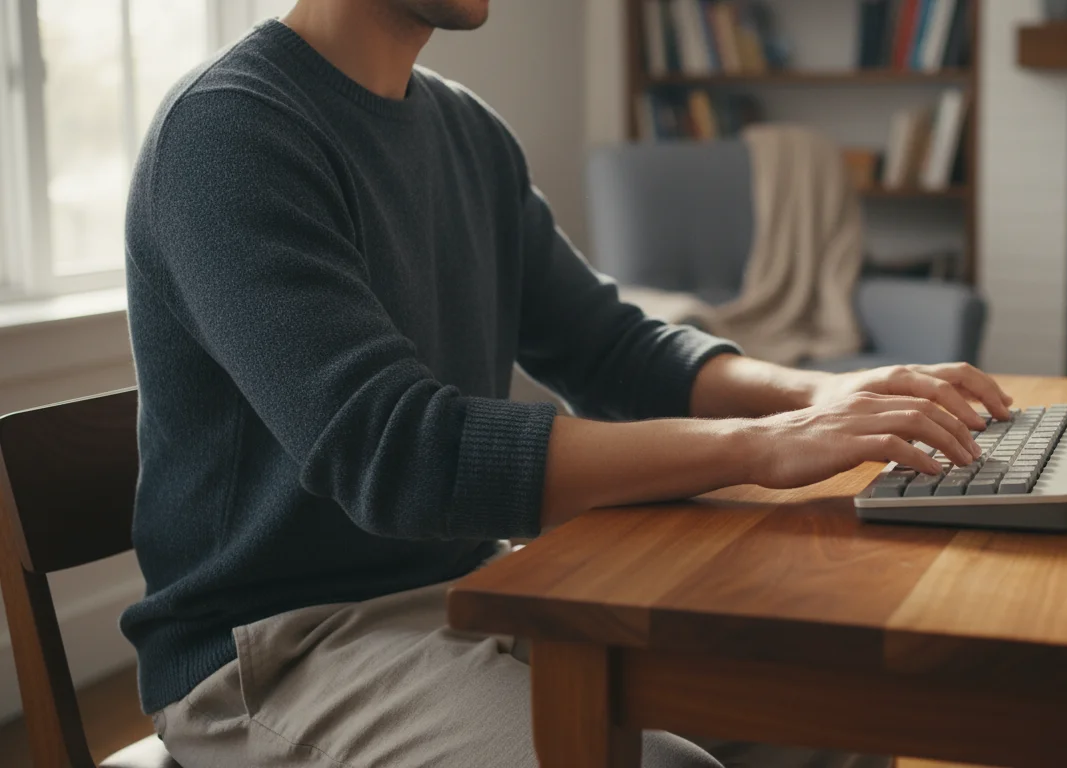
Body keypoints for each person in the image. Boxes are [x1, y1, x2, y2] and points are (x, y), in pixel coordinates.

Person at [120, 0, 1012, 765]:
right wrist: (765, 446)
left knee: (828, 696)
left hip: (471, 592)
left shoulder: (467, 132)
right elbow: (399, 453)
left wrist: (820, 396)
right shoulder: (228, 132)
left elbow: (613, 351)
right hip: (273, 650)